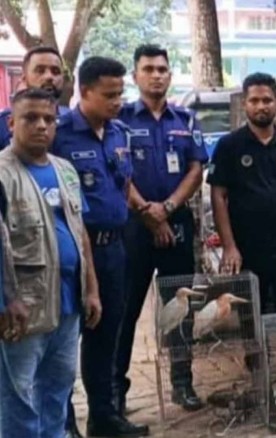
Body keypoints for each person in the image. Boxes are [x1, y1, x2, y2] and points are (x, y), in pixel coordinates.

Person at [51, 56, 149, 437]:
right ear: (85, 91)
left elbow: (123, 185)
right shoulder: (60, 133)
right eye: (109, 95)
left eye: (120, 94)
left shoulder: (120, 133)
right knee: (64, 339)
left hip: (113, 250)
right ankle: (64, 423)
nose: (117, 101)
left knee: (106, 334)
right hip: (74, 252)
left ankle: (103, 417)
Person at [0, 88, 101, 437]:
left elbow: (80, 231)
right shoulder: (2, 174)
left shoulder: (66, 170)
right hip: (23, 310)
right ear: (12, 122)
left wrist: (91, 289)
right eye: (31, 118)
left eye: (49, 119)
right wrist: (6, 300)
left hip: (67, 307)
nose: (41, 126)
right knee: (18, 399)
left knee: (58, 393)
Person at [116, 44, 208, 415]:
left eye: (162, 69)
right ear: (135, 76)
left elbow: (196, 171)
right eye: (148, 69)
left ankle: (182, 384)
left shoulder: (185, 120)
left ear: (170, 75)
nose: (156, 75)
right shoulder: (119, 120)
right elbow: (117, 173)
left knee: (181, 307)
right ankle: (114, 393)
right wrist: (147, 214)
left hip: (178, 224)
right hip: (133, 227)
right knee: (125, 311)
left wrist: (167, 209)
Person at [208, 72, 276, 365]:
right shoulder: (230, 146)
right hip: (246, 252)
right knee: (251, 321)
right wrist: (229, 246)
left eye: (267, 100)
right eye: (254, 100)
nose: (261, 106)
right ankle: (258, 382)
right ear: (245, 104)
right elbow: (219, 196)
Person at [0, 46, 69, 149]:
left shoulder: (71, 122)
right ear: (24, 78)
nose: (49, 77)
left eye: (55, 72)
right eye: (40, 71)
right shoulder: (3, 123)